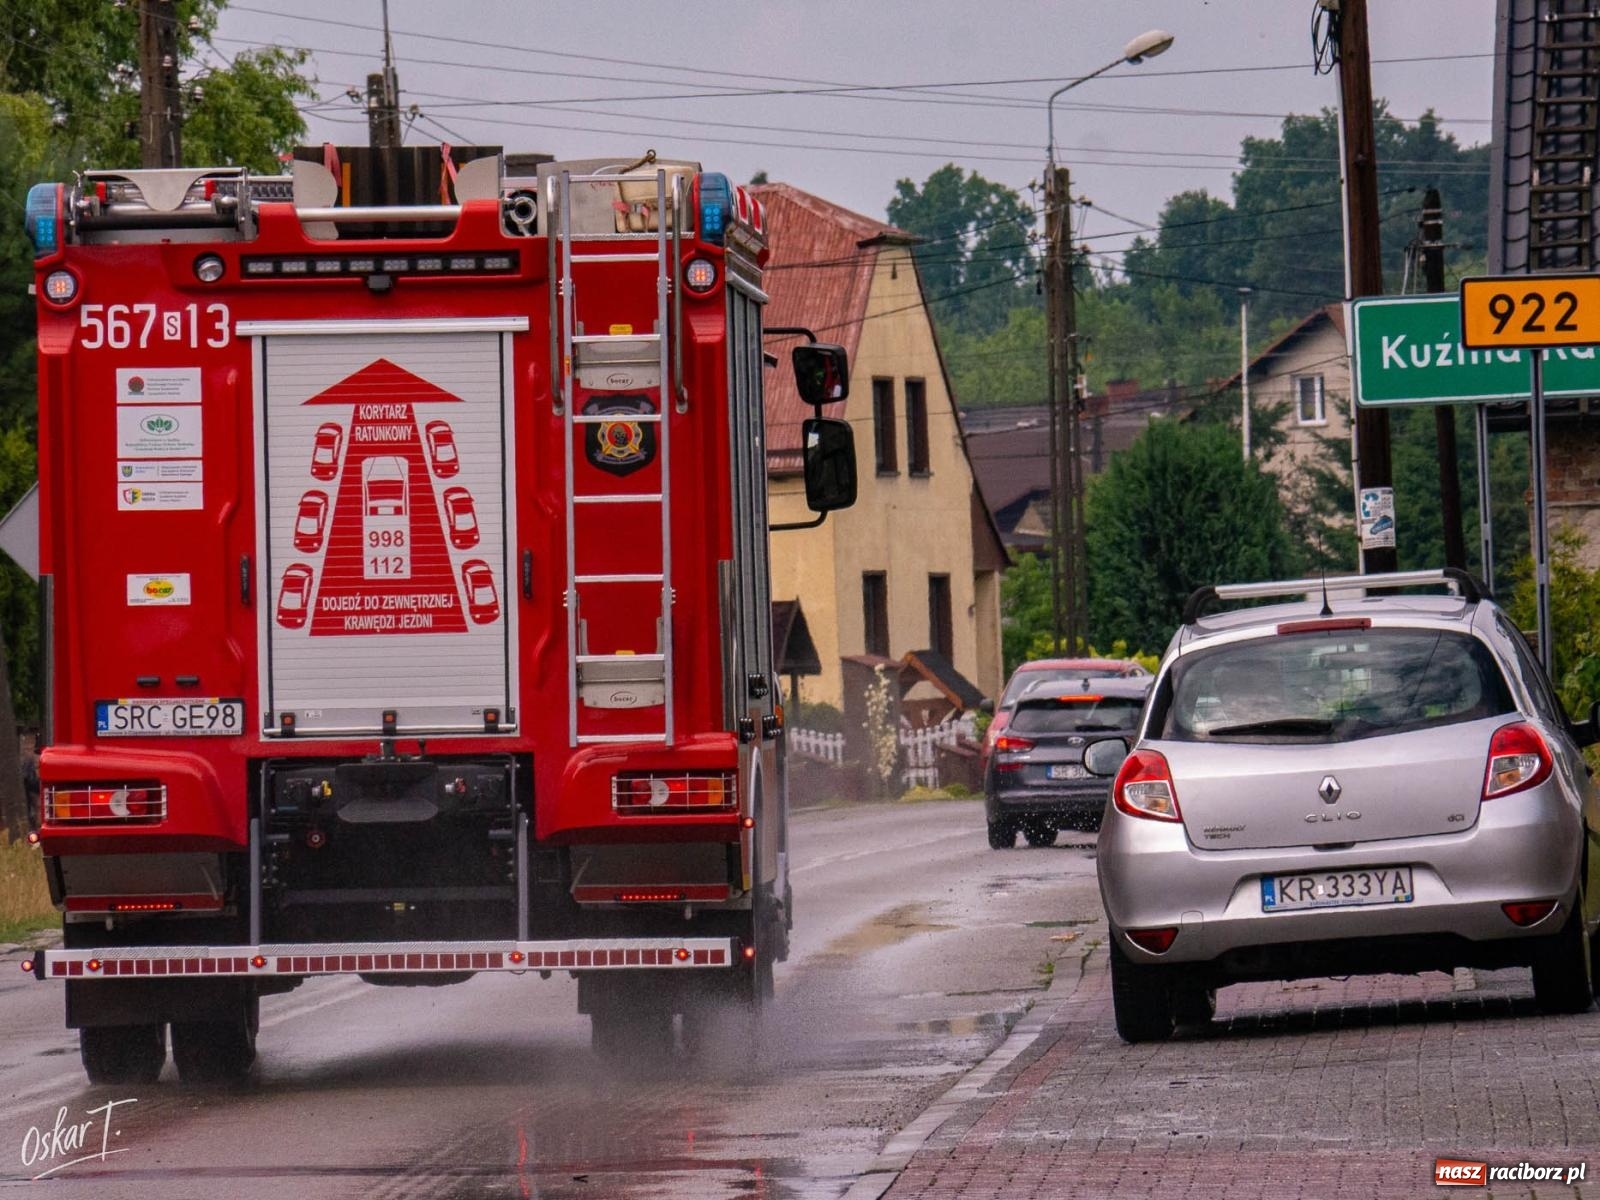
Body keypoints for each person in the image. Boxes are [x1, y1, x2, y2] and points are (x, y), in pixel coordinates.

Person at [20, 733, 39, 828]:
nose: (28, 750)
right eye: (26, 748)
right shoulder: (25, 761)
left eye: (29, 748)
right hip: (28, 787)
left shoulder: (34, 759)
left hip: (33, 786)